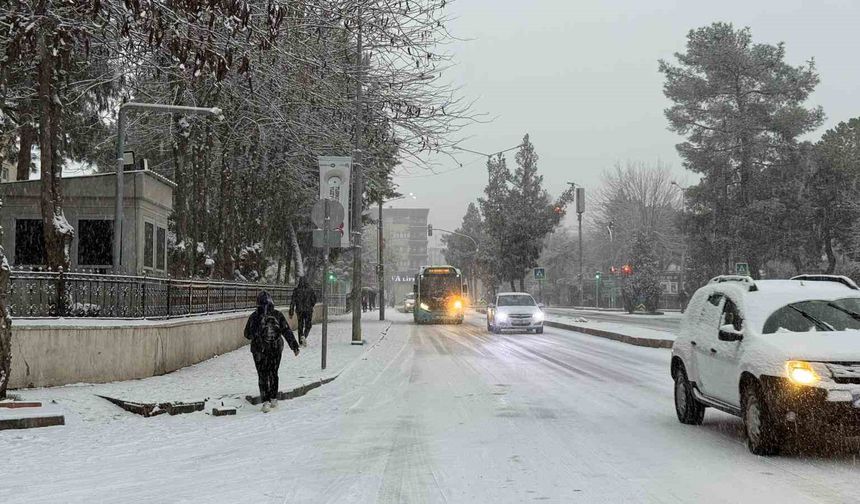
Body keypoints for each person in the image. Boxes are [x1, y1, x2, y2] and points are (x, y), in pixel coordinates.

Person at [245, 291, 299, 413]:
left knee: (262, 375)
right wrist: (294, 346)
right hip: (275, 349)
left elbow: (247, 334)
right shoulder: (277, 315)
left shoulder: (254, 316)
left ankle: (266, 401)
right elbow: (286, 330)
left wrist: (257, 333)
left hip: (259, 350)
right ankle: (274, 398)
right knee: (273, 373)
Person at [289, 277, 317, 347]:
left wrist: (291, 311)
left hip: (299, 311)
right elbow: (314, 300)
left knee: (300, 325)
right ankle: (304, 336)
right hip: (308, 310)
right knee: (308, 325)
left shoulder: (296, 290)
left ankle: (300, 342)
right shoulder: (310, 290)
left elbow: (292, 301)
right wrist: (311, 305)